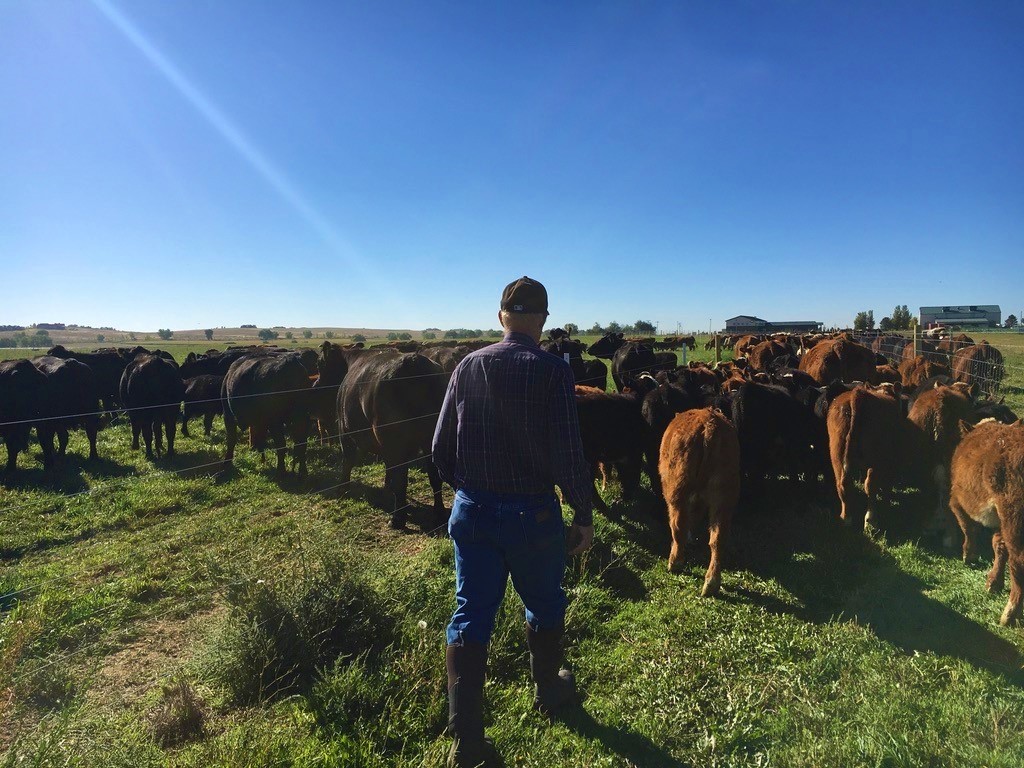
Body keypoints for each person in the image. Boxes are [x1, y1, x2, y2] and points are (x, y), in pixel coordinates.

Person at [432, 276, 595, 768]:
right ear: (542, 320)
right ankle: (549, 689)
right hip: (533, 512)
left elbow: (440, 450)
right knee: (544, 600)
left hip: (473, 510)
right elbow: (569, 453)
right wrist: (583, 513)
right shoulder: (552, 371)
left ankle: (468, 742)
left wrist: (471, 491)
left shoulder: (467, 365)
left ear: (500, 316)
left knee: (469, 612)